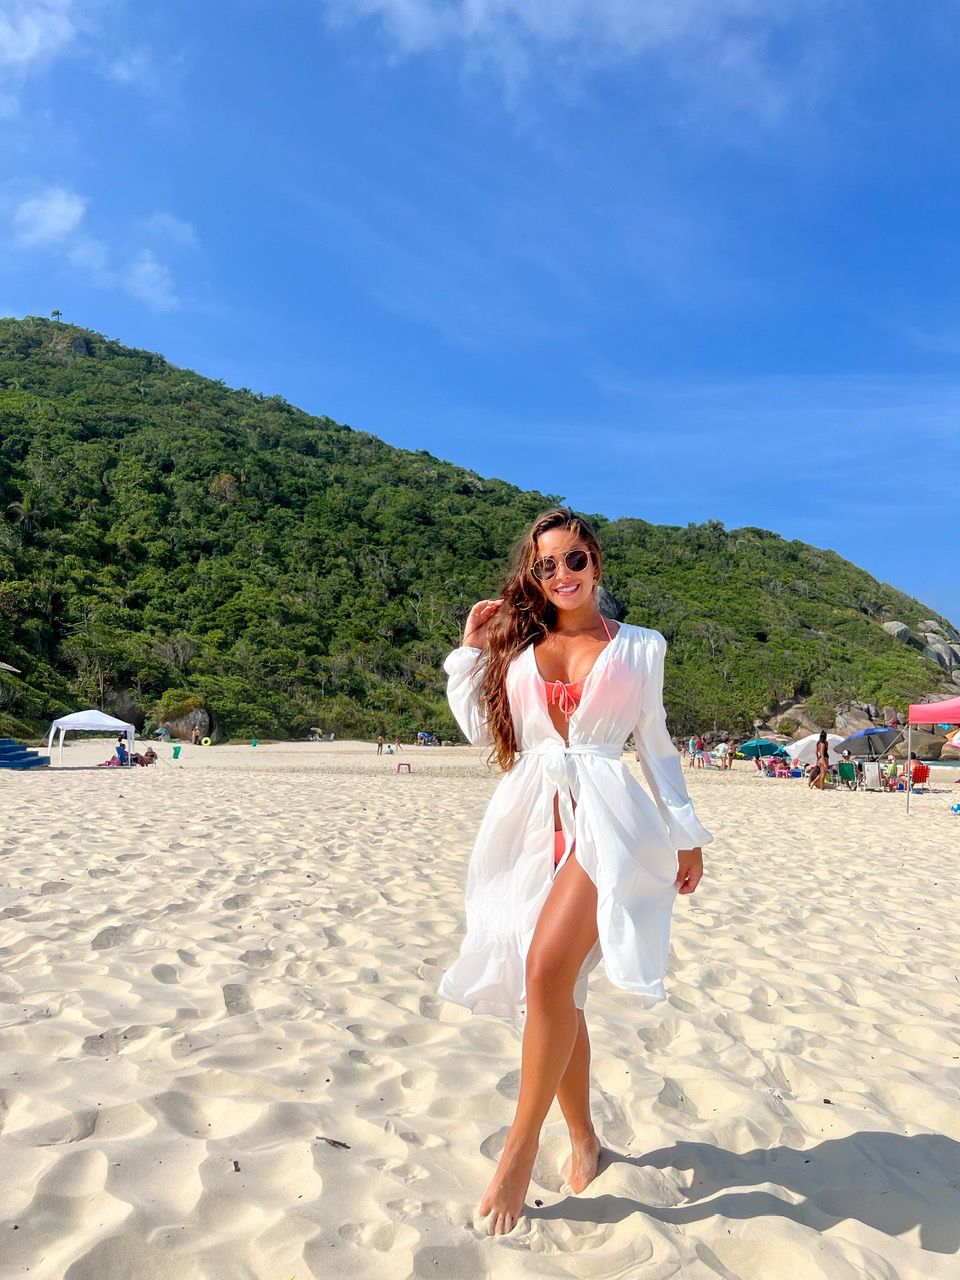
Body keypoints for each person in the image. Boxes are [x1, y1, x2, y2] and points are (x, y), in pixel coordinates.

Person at [441, 507, 710, 1235]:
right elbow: (479, 727)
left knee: (544, 971)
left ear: (596, 561)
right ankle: (584, 1137)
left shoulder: (640, 647)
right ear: (533, 576)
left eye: (574, 559)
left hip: (608, 822)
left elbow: (655, 745)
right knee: (559, 990)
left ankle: (520, 1149)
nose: (562, 574)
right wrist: (471, 651)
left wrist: (686, 835)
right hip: (534, 820)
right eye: (546, 565)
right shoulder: (519, 652)